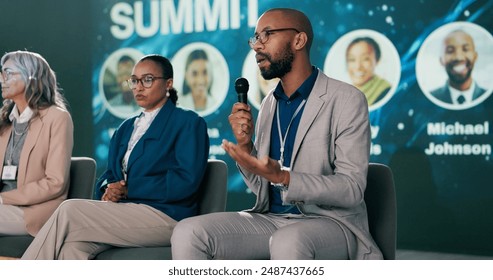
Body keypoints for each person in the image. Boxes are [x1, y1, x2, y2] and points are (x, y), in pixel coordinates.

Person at [171, 8, 383, 260]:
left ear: (299, 40)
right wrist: (246, 146)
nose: (257, 46)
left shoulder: (346, 99)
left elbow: (351, 189)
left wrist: (284, 177)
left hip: (331, 223)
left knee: (288, 240)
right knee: (188, 231)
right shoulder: (270, 103)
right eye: (255, 38)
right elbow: (260, 185)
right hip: (271, 219)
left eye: (267, 35)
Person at [22, 54, 209, 259]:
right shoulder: (126, 127)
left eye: (147, 80)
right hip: (125, 213)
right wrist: (107, 190)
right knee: (73, 247)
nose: (138, 87)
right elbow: (110, 175)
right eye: (134, 80)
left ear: (169, 84)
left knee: (69, 210)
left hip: (167, 216)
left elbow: (185, 182)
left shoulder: (188, 122)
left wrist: (129, 189)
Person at [0, 51, 73, 237]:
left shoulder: (57, 117)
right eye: (2, 73)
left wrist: (3, 198)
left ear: (31, 76)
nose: (2, 79)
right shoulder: (5, 120)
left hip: (34, 210)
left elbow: (55, 182)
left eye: (8, 73)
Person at [431, 29, 485, 105]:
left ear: (475, 56)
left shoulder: (488, 98)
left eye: (465, 49)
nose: (458, 57)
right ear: (441, 60)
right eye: (450, 51)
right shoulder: (432, 98)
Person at [345, 37, 391, 106]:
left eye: (365, 59)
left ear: (377, 61)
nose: (358, 66)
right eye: (352, 59)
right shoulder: (344, 94)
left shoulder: (385, 92)